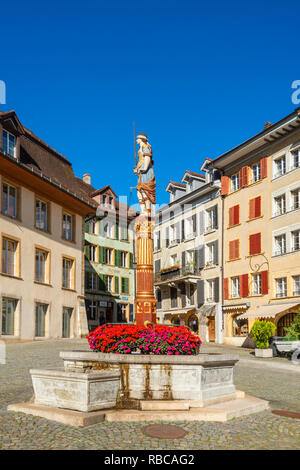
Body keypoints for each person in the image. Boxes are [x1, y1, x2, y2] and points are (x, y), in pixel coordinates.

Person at [134, 133, 156, 215]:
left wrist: (145, 168)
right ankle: (143, 211)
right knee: (139, 192)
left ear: (141, 139)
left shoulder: (145, 147)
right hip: (141, 173)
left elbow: (147, 157)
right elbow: (141, 161)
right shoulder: (140, 148)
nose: (136, 140)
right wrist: (137, 169)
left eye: (137, 139)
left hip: (146, 173)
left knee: (145, 191)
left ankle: (148, 211)